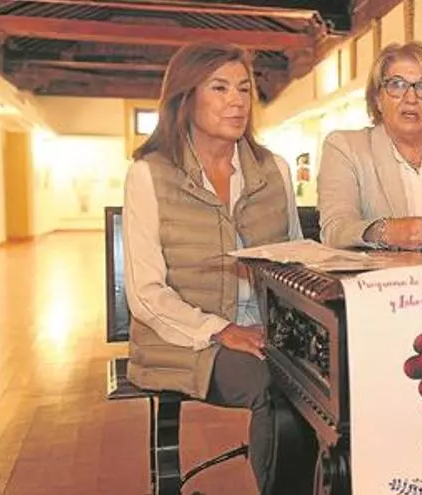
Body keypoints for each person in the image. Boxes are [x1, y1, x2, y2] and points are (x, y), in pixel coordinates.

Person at [122, 42, 306, 494]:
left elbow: (295, 256)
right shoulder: (150, 174)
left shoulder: (274, 169)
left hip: (266, 330)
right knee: (279, 389)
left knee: (334, 383)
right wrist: (221, 330)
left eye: (244, 89)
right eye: (219, 88)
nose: (237, 101)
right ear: (185, 96)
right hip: (185, 339)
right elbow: (145, 293)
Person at [317, 40, 422, 250]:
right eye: (397, 85)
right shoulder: (346, 147)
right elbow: (335, 231)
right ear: (378, 99)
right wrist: (386, 232)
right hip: (377, 272)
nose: (411, 98)